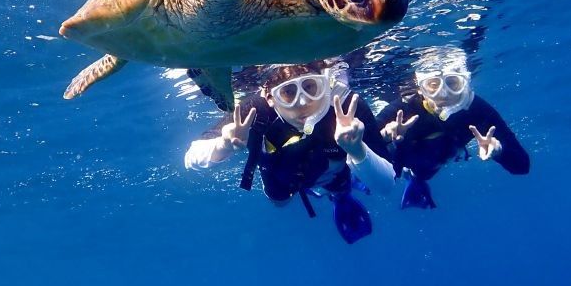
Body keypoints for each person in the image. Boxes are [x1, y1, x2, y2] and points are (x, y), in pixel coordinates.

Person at [185, 61, 394, 244]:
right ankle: (326, 189)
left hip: (335, 166)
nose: (303, 102)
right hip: (283, 173)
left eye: (311, 87)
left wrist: (357, 150)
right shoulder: (254, 111)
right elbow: (190, 158)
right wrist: (224, 144)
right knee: (280, 202)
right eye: (288, 92)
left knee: (336, 175)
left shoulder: (347, 105)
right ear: (269, 98)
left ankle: (339, 193)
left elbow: (387, 185)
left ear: (324, 83)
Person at [377, 62, 530, 209]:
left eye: (453, 83)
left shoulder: (477, 110)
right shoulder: (404, 108)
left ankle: (416, 179)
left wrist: (499, 152)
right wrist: (384, 138)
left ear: (465, 84)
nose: (444, 93)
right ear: (420, 88)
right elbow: (362, 144)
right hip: (400, 157)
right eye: (433, 85)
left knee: (426, 169)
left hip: (436, 160)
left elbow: (522, 166)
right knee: (393, 167)